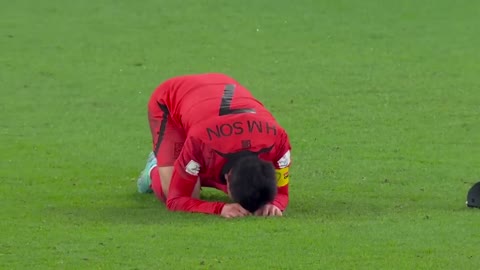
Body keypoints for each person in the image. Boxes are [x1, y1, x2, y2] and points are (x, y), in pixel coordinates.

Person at [137, 73, 291, 218]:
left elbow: (282, 193)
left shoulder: (279, 141)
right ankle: (153, 167)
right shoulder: (201, 142)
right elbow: (176, 200)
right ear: (228, 178)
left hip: (218, 89)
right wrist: (220, 208)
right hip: (170, 99)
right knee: (184, 193)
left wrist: (273, 204)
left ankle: (182, 168)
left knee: (196, 173)